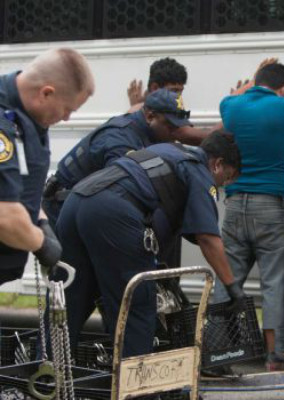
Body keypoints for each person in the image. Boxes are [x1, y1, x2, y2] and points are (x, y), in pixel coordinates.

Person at [55, 132, 245, 357]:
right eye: (228, 177)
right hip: (112, 212)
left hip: (76, 201)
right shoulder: (199, 170)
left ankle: (45, 375)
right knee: (136, 303)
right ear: (218, 164)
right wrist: (232, 286)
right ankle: (137, 388)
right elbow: (207, 238)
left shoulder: (168, 149)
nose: (224, 184)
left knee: (70, 298)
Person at [212, 61, 284, 371]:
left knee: (227, 281)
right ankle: (275, 357)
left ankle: (219, 355)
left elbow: (237, 96)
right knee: (273, 284)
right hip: (270, 207)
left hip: (234, 207)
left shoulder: (229, 105)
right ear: (283, 89)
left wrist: (249, 85)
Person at [0, 48, 94, 286]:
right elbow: (4, 215)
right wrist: (40, 243)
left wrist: (40, 219)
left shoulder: (26, 117)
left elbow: (18, 184)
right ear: (46, 93)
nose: (67, 119)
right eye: (68, 109)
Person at [42, 88, 192, 230]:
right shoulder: (120, 139)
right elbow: (120, 193)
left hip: (86, 204)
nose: (176, 133)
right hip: (63, 207)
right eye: (171, 127)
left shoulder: (150, 132)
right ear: (150, 117)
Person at [127, 56, 223, 146]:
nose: (178, 97)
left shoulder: (142, 109)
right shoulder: (149, 112)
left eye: (180, 91)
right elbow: (202, 138)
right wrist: (232, 114)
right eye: (174, 91)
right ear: (155, 88)